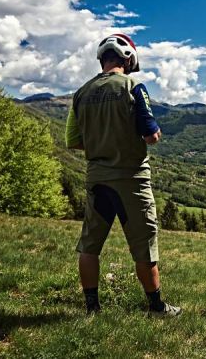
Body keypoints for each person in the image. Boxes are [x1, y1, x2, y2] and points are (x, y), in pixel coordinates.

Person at [65, 33, 181, 317]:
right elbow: (151, 136)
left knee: (90, 245)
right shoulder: (133, 86)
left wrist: (101, 142)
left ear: (102, 59)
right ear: (128, 58)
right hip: (131, 180)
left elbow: (73, 140)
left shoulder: (81, 93)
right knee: (144, 245)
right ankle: (156, 307)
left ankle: (92, 308)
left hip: (97, 178)